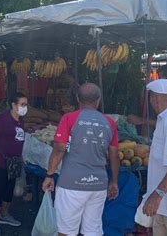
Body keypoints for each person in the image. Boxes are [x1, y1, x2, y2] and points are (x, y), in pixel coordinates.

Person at [42, 83, 120, 236]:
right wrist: (114, 181)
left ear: (78, 98)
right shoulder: (109, 122)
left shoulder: (69, 118)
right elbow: (114, 155)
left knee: (65, 231)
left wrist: (49, 175)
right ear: (98, 100)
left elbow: (59, 149)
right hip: (98, 185)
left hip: (72, 185)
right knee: (92, 231)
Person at [0, 92, 28, 236]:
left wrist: (22, 157)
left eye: (25, 104)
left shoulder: (21, 120)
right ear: (13, 105)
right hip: (1, 161)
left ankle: (5, 213)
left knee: (10, 190)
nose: (25, 107)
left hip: (15, 162)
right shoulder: (2, 119)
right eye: (22, 104)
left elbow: (19, 140)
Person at [143, 79, 167, 234]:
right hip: (164, 205)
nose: (151, 102)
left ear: (156, 99)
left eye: (152, 97)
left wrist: (158, 194)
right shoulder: (166, 119)